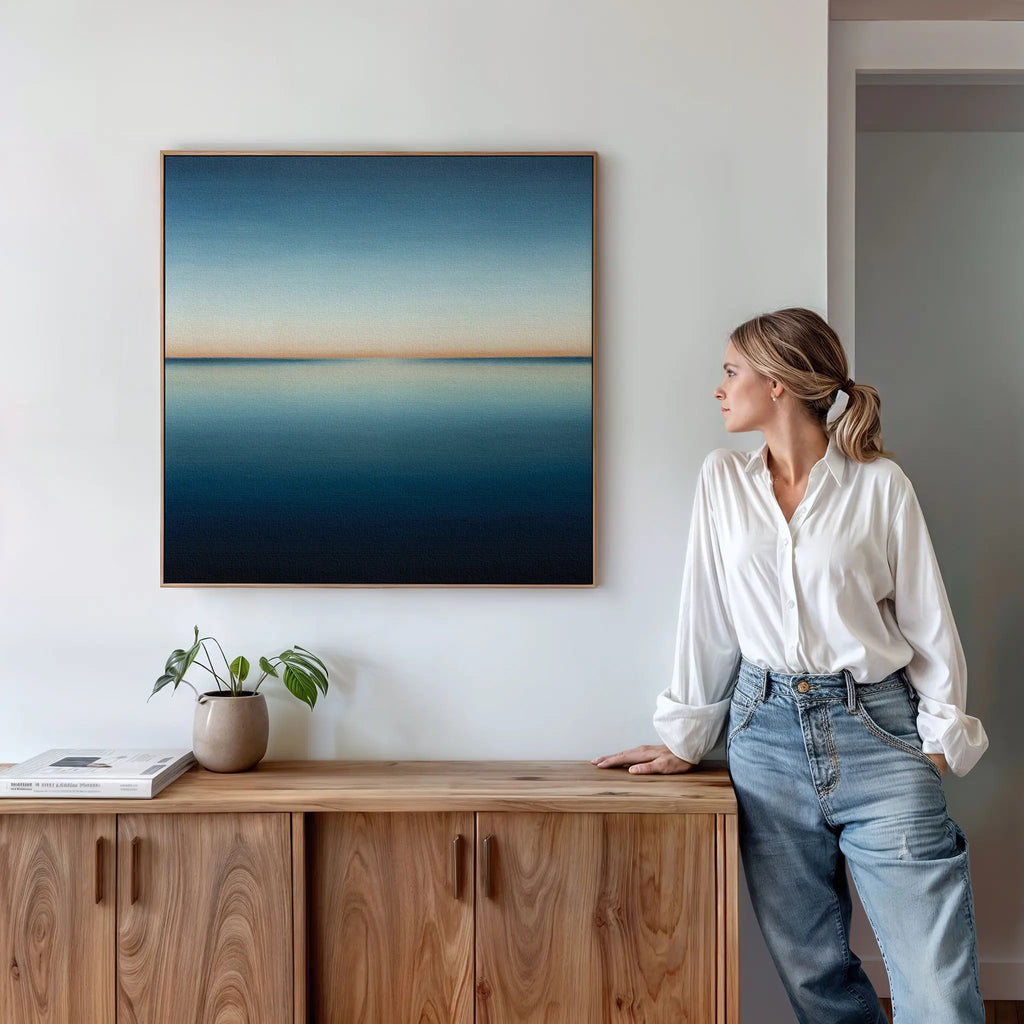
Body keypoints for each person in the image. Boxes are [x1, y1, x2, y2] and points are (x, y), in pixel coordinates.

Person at [593, 308, 988, 1024]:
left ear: (777, 384)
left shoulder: (880, 486)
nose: (719, 388)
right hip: (763, 736)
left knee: (937, 988)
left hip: (879, 730)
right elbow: (705, 616)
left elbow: (929, 622)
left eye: (730, 371)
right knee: (815, 980)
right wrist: (687, 737)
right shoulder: (722, 482)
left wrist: (936, 741)